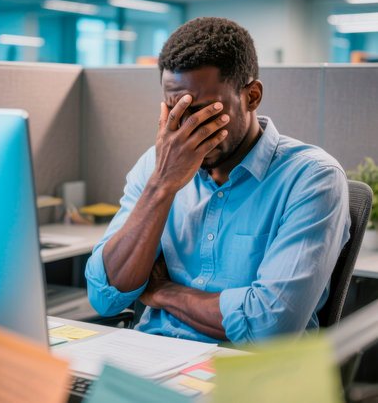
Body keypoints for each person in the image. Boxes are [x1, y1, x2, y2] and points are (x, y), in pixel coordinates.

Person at [85, 17, 351, 345]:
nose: (185, 129)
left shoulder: (312, 178)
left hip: (251, 378)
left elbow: (270, 326)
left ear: (251, 96)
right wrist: (161, 186)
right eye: (174, 110)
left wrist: (164, 293)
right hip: (152, 359)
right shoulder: (155, 167)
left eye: (203, 113)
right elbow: (105, 296)